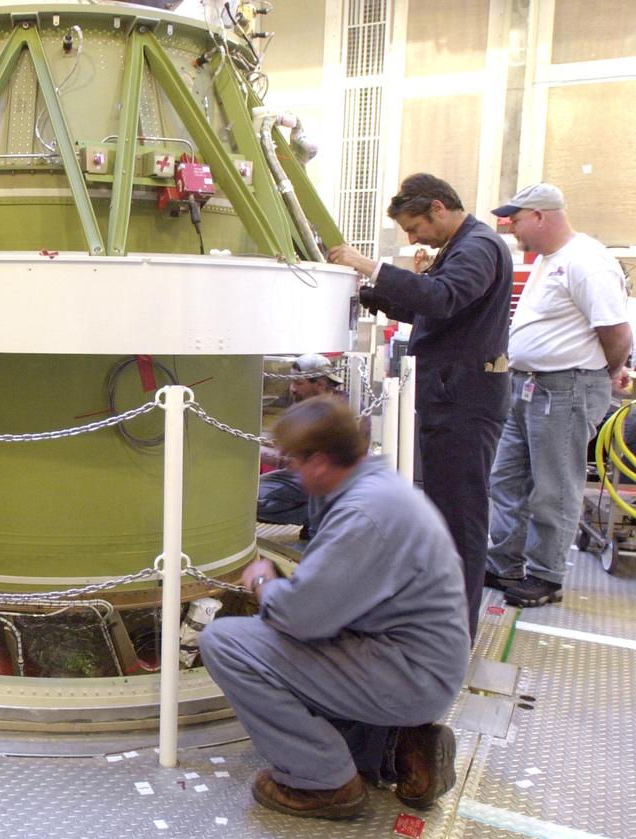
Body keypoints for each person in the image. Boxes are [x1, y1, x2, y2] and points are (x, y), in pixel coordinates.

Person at [200, 397, 469, 820]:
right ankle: (399, 752)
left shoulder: (365, 516)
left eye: (296, 463)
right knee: (297, 663)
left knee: (227, 643)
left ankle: (322, 781)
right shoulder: (379, 487)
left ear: (322, 462)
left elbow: (299, 617)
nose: (294, 473)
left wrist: (261, 581)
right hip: (419, 662)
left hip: (411, 674)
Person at [329, 173, 513, 638]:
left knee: (462, 518)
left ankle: (455, 634)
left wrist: (371, 267)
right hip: (450, 396)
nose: (414, 239)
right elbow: (423, 308)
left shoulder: (478, 248)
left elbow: (443, 297)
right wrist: (366, 293)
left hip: (465, 403)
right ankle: (444, 620)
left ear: (437, 207)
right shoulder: (461, 248)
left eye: (415, 228)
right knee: (448, 511)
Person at [484, 184, 632, 606]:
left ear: (541, 216)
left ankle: (545, 576)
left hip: (565, 388)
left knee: (555, 487)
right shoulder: (551, 261)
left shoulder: (587, 263)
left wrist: (608, 372)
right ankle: (504, 564)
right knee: (507, 477)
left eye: (515, 219)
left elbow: (617, 332)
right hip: (528, 385)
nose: (511, 228)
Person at [257, 354, 344, 534]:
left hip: (332, 481)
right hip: (304, 478)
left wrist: (250, 449)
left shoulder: (341, 410)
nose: (292, 388)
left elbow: (296, 461)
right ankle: (313, 517)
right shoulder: (305, 406)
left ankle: (321, 523)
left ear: (319, 384)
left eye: (298, 382)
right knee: (247, 498)